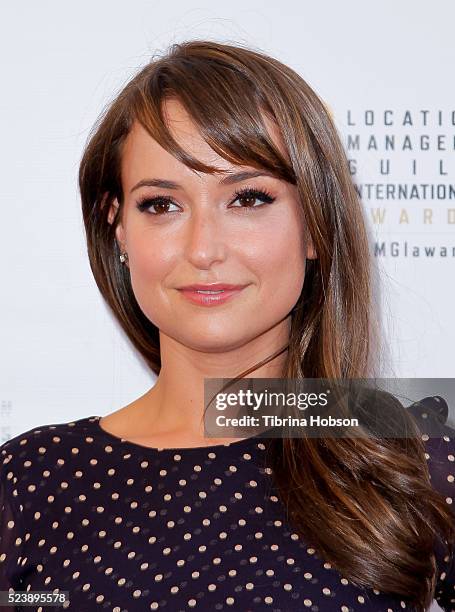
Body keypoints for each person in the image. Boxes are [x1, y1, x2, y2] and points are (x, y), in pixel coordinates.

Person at [1, 39, 454, 612]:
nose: (204, 249)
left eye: (247, 198)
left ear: (315, 225)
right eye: (162, 205)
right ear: (118, 232)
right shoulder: (33, 482)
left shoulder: (414, 459)